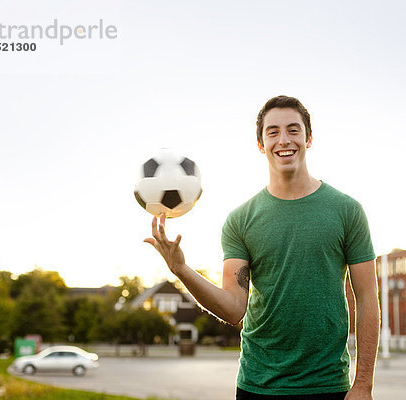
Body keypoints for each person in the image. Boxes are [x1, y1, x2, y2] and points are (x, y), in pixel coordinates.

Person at [145, 95, 380, 400]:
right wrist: (180, 269)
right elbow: (233, 309)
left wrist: (363, 383)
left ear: (309, 139)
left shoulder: (347, 211)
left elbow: (367, 297)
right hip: (258, 385)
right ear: (260, 144)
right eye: (273, 132)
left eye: (293, 130)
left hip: (328, 385)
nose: (284, 140)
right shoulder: (241, 220)